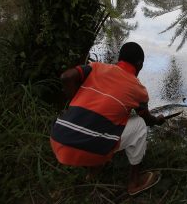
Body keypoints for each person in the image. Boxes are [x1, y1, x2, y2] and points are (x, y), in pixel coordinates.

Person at [50, 42, 165, 195]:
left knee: (98, 120)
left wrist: (74, 99)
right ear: (139, 64)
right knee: (139, 125)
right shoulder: (139, 90)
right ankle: (134, 182)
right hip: (88, 148)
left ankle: (93, 171)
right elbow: (147, 119)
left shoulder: (96, 67)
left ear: (120, 58)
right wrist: (158, 120)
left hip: (59, 139)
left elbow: (66, 76)